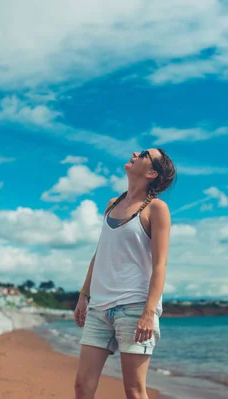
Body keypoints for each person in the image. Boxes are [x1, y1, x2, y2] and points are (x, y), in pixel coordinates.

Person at [74, 148, 176, 399]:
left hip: (134, 307)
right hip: (99, 308)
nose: (134, 153)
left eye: (143, 154)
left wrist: (149, 313)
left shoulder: (157, 209)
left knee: (134, 390)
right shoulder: (112, 205)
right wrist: (84, 295)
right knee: (82, 385)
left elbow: (160, 264)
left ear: (152, 172)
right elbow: (100, 254)